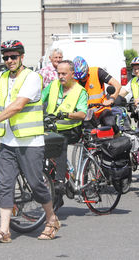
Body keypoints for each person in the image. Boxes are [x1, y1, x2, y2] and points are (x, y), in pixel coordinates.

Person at [0, 40, 60, 243]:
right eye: (6, 57)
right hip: (9, 142)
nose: (9, 60)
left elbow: (18, 106)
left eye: (14, 56)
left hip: (30, 142)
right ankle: (4, 231)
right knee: (6, 185)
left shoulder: (32, 78)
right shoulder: (1, 77)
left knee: (36, 184)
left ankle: (52, 219)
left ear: (21, 57)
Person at [42, 60, 88, 208]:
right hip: (52, 127)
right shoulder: (53, 85)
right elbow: (39, 100)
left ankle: (60, 182)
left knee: (59, 143)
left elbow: (82, 114)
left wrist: (68, 114)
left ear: (72, 74)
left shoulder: (80, 91)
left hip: (71, 129)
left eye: (64, 74)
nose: (60, 76)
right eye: (58, 73)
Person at [72, 56, 122, 131]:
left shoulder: (97, 72)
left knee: (111, 124)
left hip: (102, 109)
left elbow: (117, 85)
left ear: (87, 69)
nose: (82, 80)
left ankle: (117, 138)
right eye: (79, 79)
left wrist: (111, 99)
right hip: (85, 113)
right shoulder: (73, 80)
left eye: (84, 77)